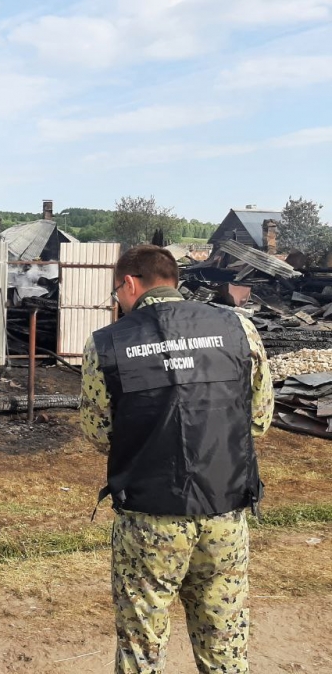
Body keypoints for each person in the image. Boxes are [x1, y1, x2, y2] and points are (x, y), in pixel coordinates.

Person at [79, 245, 274, 674]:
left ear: (130, 284)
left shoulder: (107, 343)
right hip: (224, 512)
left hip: (149, 520)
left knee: (141, 647)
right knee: (224, 645)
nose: (118, 301)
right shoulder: (239, 328)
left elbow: (98, 433)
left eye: (117, 293)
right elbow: (259, 420)